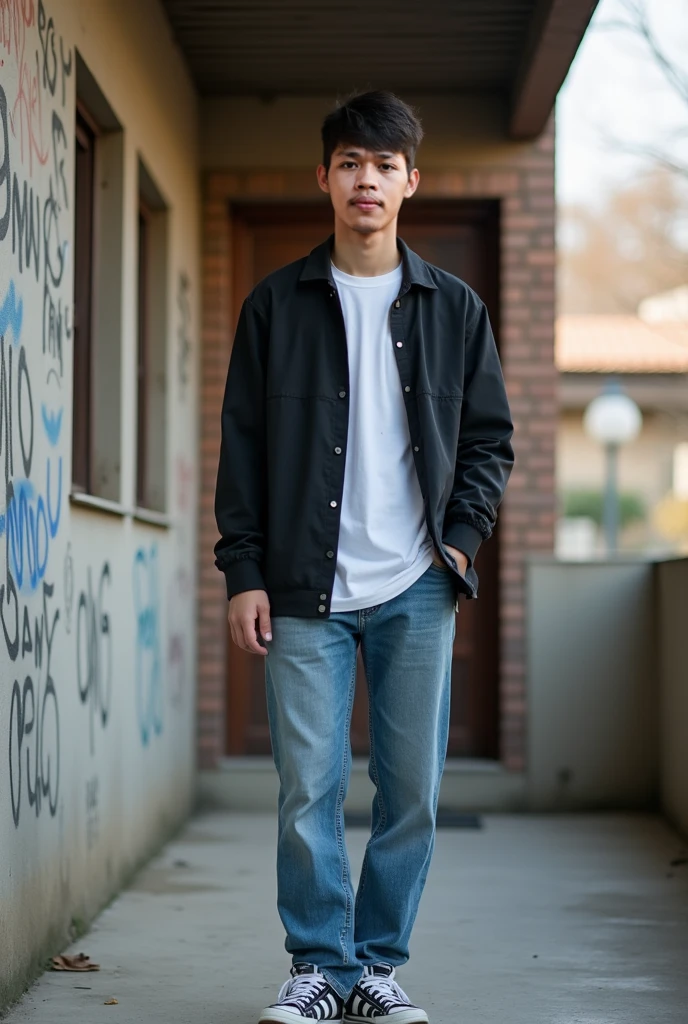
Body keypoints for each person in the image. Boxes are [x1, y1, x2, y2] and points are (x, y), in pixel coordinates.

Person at [214, 90, 514, 1024]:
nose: (366, 180)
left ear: (410, 183)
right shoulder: (276, 307)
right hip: (303, 591)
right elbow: (242, 449)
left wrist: (459, 545)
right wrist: (244, 570)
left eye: (385, 166)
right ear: (325, 179)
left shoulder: (454, 310)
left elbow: (489, 444)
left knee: (413, 789)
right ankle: (318, 967)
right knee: (309, 786)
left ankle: (377, 969)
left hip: (417, 587)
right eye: (350, 163)